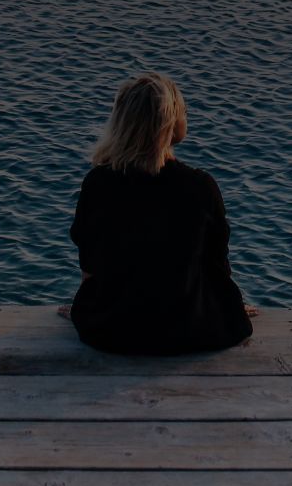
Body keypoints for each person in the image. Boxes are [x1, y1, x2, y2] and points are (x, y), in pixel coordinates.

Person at [64, 73, 255, 355]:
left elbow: (90, 268)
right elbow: (217, 265)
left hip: (113, 331)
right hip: (190, 331)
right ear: (172, 124)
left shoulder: (98, 183)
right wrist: (230, 307)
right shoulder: (200, 187)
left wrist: (87, 308)